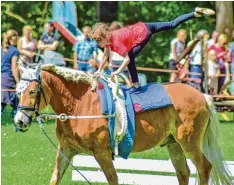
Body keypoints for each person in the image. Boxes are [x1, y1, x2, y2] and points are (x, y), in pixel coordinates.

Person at [91, 7, 215, 91]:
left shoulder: (116, 42)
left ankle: (136, 84)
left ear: (105, 37)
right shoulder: (108, 40)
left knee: (131, 57)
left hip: (144, 33)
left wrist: (117, 72)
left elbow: (127, 60)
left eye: (98, 41)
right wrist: (100, 69)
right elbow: (106, 55)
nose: (98, 44)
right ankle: (194, 13)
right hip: (145, 25)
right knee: (171, 23)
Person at [1, 30, 20, 118]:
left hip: (1, 78)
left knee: (3, 103)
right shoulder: (14, 50)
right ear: (13, 38)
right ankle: (18, 127)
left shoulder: (1, 49)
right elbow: (14, 68)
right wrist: (18, 82)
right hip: (9, 79)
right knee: (16, 105)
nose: (18, 38)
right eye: (17, 36)